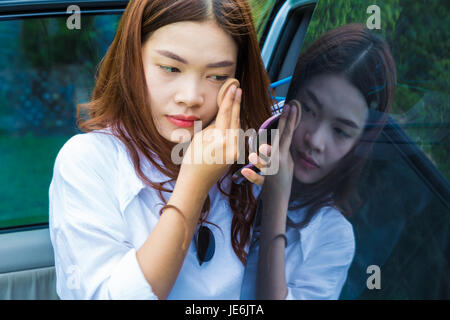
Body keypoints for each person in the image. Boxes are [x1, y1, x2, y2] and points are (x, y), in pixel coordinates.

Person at [48, 0, 274, 300]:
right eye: (170, 68)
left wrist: (283, 199)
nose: (190, 97)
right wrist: (193, 186)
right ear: (133, 60)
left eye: (217, 76)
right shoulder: (88, 161)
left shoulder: (254, 158)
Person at [240, 23, 397, 299]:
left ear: (358, 144)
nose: (315, 140)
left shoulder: (333, 237)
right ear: (291, 97)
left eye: (340, 131)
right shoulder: (238, 151)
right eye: (310, 110)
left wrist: (277, 201)